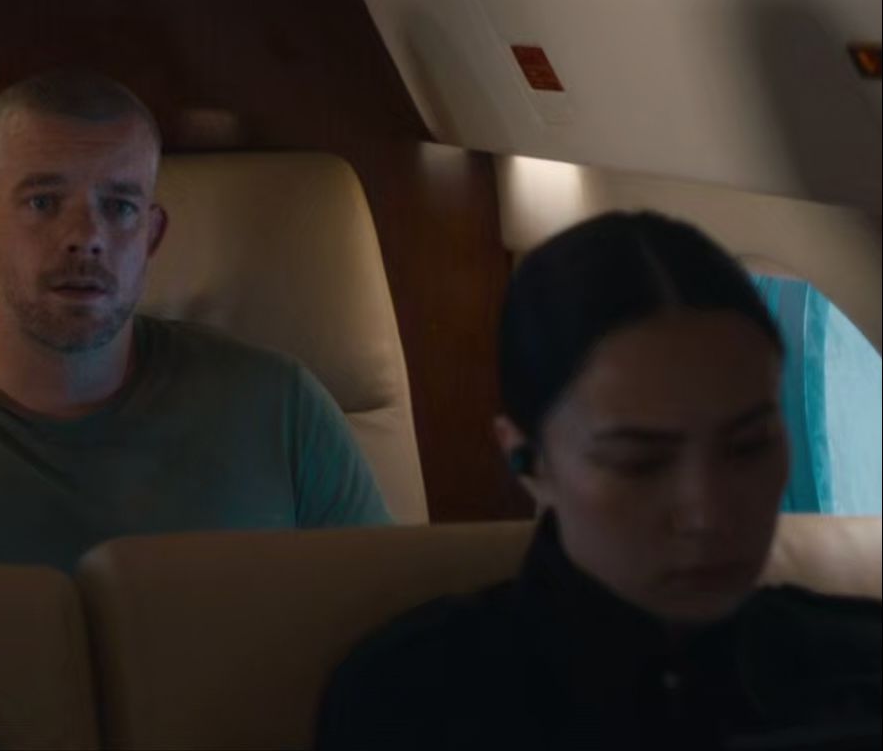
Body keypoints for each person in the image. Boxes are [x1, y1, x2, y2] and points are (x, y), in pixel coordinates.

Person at [0, 69, 389, 573]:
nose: (87, 237)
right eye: (43, 201)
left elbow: (389, 636)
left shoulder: (280, 409)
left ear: (151, 236)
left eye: (120, 206)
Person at [315, 211, 881, 751]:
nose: (707, 512)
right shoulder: (414, 704)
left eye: (748, 446)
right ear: (528, 460)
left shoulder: (858, 660)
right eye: (640, 463)